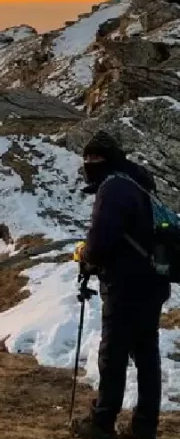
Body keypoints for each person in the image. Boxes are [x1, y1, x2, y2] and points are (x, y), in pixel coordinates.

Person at [71, 131, 170, 439]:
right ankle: (144, 427)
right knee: (146, 354)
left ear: (110, 159)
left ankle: (102, 422)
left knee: (113, 354)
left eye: (96, 157)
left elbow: (101, 241)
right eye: (87, 158)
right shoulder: (138, 182)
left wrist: (85, 256)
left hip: (125, 285)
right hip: (152, 281)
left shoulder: (113, 187)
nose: (90, 163)